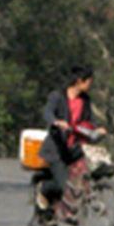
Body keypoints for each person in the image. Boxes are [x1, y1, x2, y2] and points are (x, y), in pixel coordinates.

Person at [37, 66, 106, 210]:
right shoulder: (58, 96)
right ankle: (43, 189)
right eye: (89, 81)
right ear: (79, 81)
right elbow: (47, 112)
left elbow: (89, 121)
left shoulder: (85, 100)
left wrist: (97, 129)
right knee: (61, 184)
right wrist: (56, 122)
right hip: (57, 149)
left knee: (89, 170)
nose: (90, 85)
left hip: (74, 146)